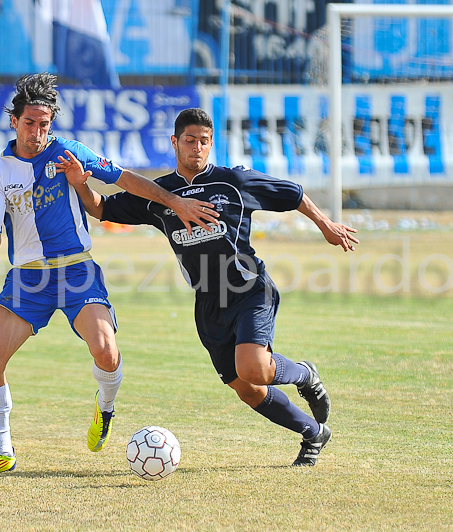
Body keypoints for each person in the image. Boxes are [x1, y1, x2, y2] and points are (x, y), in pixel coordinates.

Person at [57, 108, 359, 467]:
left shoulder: (233, 182)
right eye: (189, 140)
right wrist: (79, 182)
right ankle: (314, 433)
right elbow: (101, 208)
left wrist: (325, 224)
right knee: (247, 389)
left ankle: (305, 374)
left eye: (204, 141)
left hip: (249, 288)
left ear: (211, 144)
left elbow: (292, 194)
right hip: (208, 303)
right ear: (174, 142)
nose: (197, 147)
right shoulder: (159, 193)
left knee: (254, 368)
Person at [0, 76, 214, 474]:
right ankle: (1, 450)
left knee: (106, 353)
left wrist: (173, 201)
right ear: (13, 121)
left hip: (76, 270)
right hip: (28, 277)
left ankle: (105, 408)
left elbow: (125, 179)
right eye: (30, 123)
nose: (38, 133)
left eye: (44, 124)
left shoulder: (69, 153)